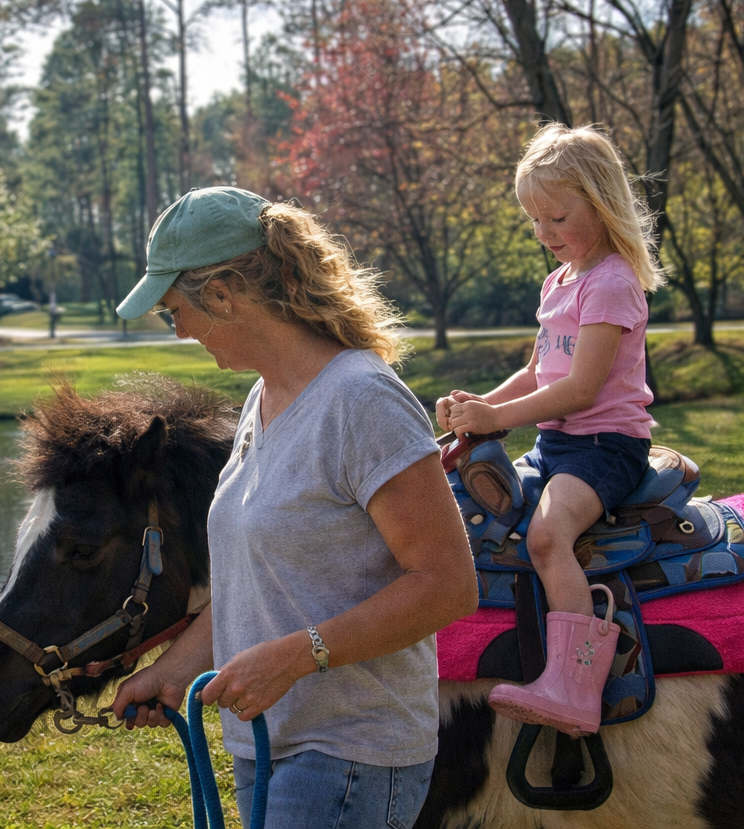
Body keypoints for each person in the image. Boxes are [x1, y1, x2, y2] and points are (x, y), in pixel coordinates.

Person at [107, 186, 477, 829]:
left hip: (350, 754)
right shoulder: (263, 398)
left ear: (222, 294)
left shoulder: (362, 400)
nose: (181, 330)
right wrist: (174, 672)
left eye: (176, 311)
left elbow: (448, 586)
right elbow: (262, 581)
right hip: (268, 747)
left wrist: (296, 656)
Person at [437, 123, 665, 738]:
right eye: (535, 221)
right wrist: (478, 406)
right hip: (561, 444)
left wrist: (498, 420)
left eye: (558, 218)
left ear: (601, 202)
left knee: (545, 538)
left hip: (605, 448)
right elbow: (539, 370)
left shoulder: (612, 281)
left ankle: (576, 684)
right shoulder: (558, 283)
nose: (544, 234)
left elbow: (580, 389)